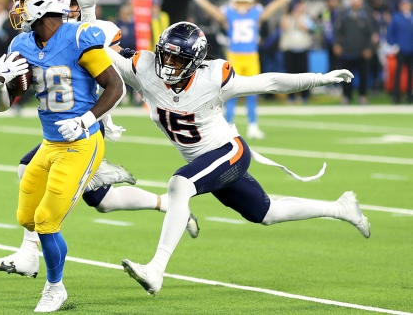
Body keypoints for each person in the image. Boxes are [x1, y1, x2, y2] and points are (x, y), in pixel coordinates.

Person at [104, 22, 370, 295]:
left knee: (180, 184)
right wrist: (85, 11)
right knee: (266, 213)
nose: (169, 63)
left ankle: (156, 269)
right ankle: (342, 208)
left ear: (195, 61)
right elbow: (96, 47)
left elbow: (269, 82)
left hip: (229, 152)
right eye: (166, 55)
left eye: (178, 58)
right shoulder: (144, 69)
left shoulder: (213, 78)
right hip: (208, 164)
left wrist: (319, 78)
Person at [0, 0, 200, 284]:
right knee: (103, 201)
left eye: (76, 4)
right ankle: (165, 203)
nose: (71, 10)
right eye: (72, 3)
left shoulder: (88, 31)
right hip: (62, 127)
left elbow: (105, 71)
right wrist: (1, 83)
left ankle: (30, 255)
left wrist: (100, 120)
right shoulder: (33, 40)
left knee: (32, 177)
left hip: (84, 126)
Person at [0, 0, 125, 312]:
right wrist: (1, 86)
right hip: (50, 144)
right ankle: (42, 271)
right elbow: (2, 106)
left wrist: (85, 120)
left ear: (41, 4)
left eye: (22, 0)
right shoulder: (20, 45)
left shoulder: (79, 37)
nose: (17, 8)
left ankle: (54, 288)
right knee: (27, 218)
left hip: (82, 143)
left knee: (47, 220)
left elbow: (115, 86)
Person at [184, 0, 304, 140]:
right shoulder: (229, 14)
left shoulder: (256, 13)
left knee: (253, 93)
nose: (241, 6)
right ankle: (226, 127)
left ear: (250, 2)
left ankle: (253, 126)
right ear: (233, 1)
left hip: (251, 57)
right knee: (230, 93)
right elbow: (211, 9)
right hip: (234, 58)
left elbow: (275, 6)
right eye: (238, 2)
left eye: (244, 2)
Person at [333, 0, 378, 105]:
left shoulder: (367, 13)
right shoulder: (343, 13)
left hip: (362, 50)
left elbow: (373, 34)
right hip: (347, 49)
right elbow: (337, 31)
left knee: (363, 75)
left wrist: (370, 48)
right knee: (346, 75)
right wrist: (336, 44)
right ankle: (346, 96)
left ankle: (363, 95)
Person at [279, 0, 315, 104]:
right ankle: (291, 96)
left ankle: (304, 96)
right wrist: (287, 14)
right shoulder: (286, 17)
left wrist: (298, 18)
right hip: (289, 49)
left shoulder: (306, 17)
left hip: (302, 48)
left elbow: (307, 28)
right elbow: (283, 27)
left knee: (304, 73)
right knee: (290, 74)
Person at [387, 0, 413, 104]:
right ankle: (396, 95)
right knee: (398, 73)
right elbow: (390, 34)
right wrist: (394, 45)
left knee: (411, 73)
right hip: (400, 49)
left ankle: (409, 94)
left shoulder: (411, 17)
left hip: (411, 49)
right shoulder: (396, 17)